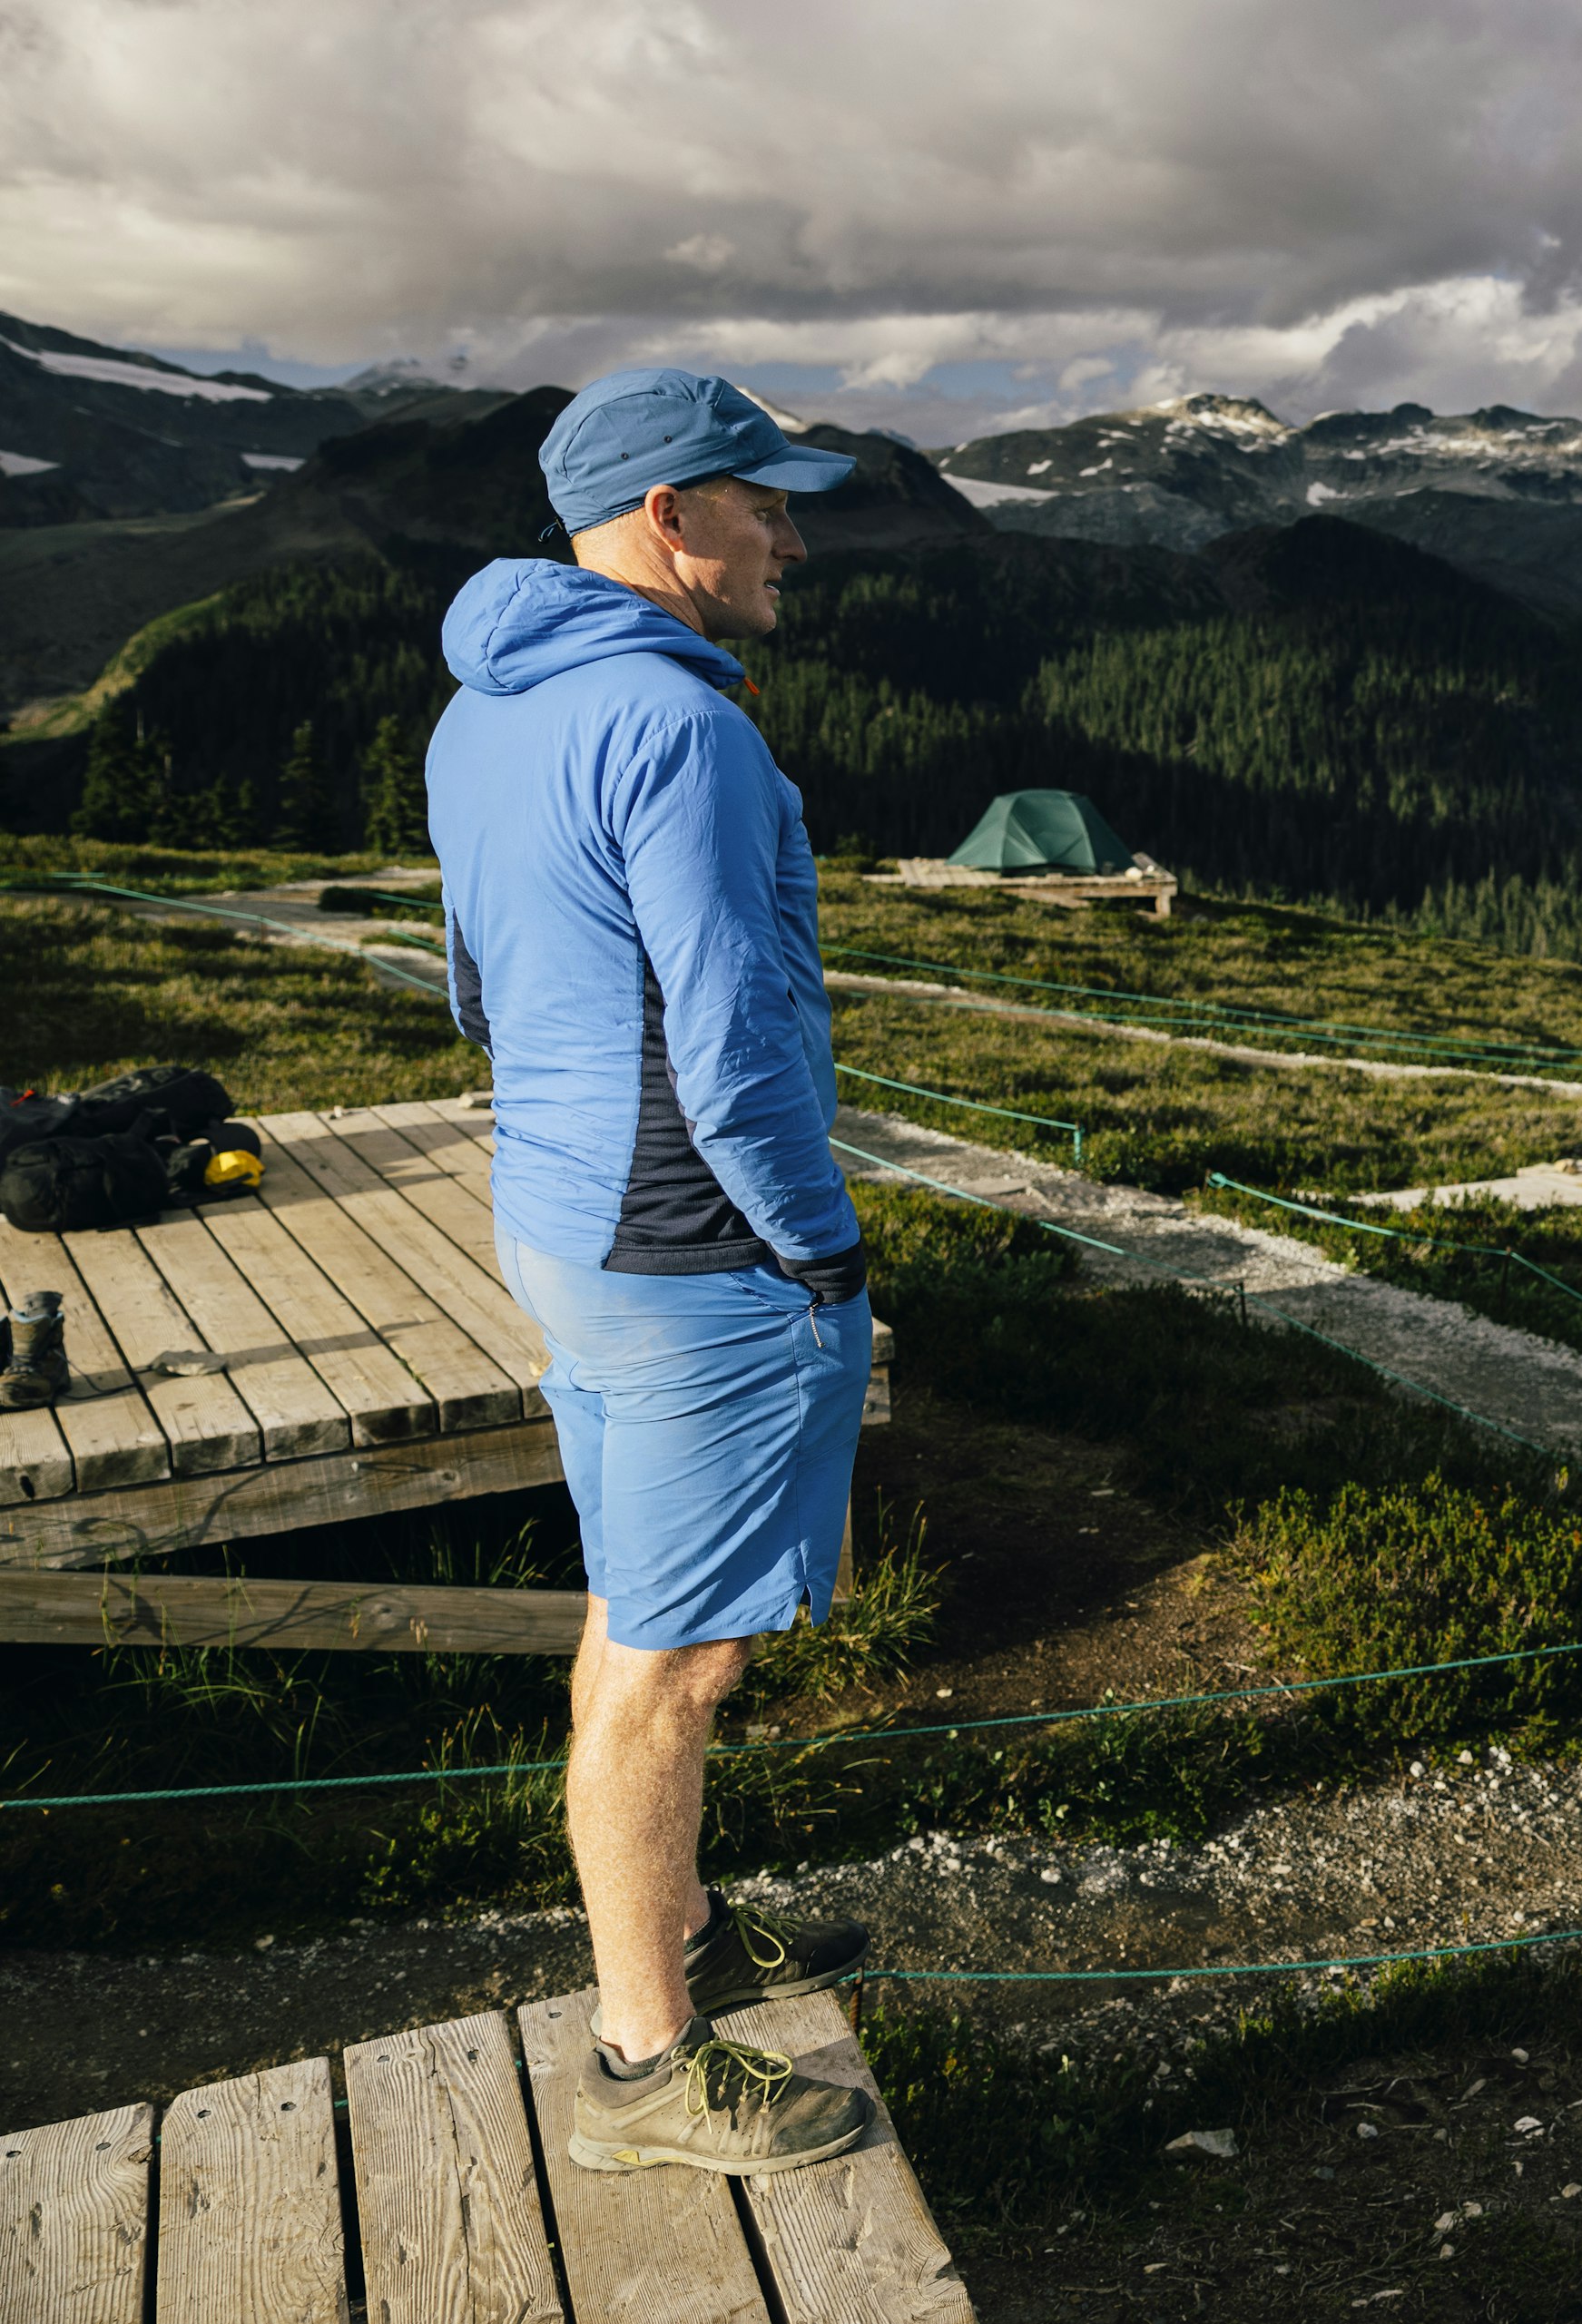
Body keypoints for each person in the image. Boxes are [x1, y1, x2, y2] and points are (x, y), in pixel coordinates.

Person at [428, 369, 877, 2178]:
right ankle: (642, 2059)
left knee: (635, 1608)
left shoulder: (484, 704)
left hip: (558, 1216)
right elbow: (737, 1040)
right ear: (672, 521)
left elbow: (469, 976)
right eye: (763, 500)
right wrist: (821, 1250)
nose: (792, 531)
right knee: (675, 1667)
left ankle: (677, 1928)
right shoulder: (685, 735)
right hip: (696, 1248)